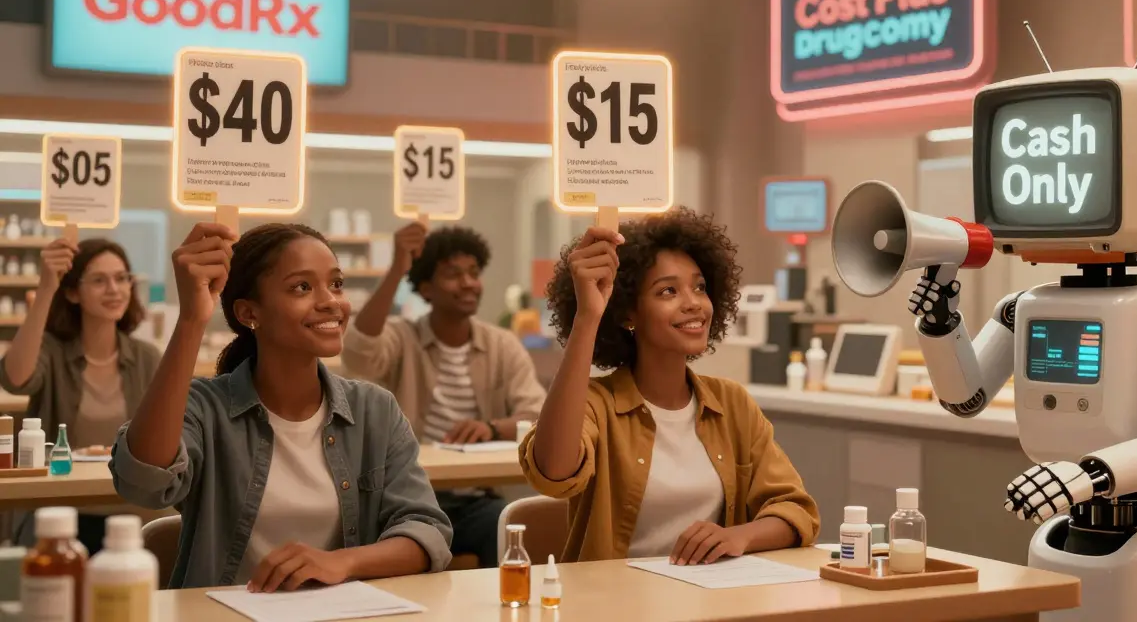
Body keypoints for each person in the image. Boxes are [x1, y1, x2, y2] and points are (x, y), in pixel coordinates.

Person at [110, 222, 453, 590]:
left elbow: (428, 533)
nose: (330, 301)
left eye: (335, 283)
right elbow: (142, 483)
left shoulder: (375, 410)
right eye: (302, 287)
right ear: (248, 313)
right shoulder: (205, 408)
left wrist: (341, 562)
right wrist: (192, 320)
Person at [522, 207, 820, 564]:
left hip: (713, 605)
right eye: (668, 291)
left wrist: (738, 536)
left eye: (699, 287)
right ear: (627, 314)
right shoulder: (596, 404)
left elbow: (796, 511)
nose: (693, 303)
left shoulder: (732, 403)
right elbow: (553, 474)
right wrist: (589, 316)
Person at [343, 223, 545, 568]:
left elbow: (538, 417)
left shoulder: (501, 345)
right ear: (426, 289)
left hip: (476, 501)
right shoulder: (403, 338)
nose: (468, 283)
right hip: (407, 500)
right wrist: (396, 270)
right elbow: (359, 354)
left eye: (473, 272)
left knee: (508, 527)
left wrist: (492, 428)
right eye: (453, 274)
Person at [0, 238, 160, 553]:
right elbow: (15, 379)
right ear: (73, 292)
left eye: (122, 277)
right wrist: (46, 288)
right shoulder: (53, 351)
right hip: (61, 515)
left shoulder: (147, 357)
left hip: (133, 517)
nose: (114, 289)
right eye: (99, 280)